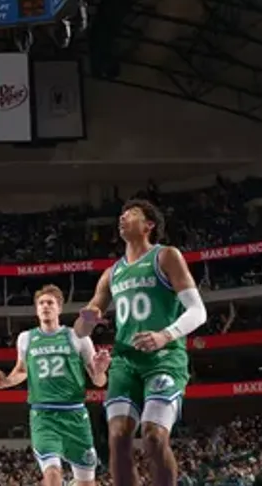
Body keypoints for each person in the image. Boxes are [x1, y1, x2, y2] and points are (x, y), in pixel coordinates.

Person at [73, 200, 206, 486]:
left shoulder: (166, 256)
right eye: (121, 214)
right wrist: (89, 316)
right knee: (118, 437)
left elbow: (198, 311)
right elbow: (80, 330)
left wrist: (164, 335)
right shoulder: (111, 273)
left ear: (149, 225)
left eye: (131, 214)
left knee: (153, 436)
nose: (122, 218)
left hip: (164, 358)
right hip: (125, 362)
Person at [0, 285, 110, 486]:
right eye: (41, 303)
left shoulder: (77, 336)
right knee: (53, 475)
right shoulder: (26, 338)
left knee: (87, 483)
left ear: (59, 308)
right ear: (36, 309)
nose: (45, 306)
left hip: (75, 416)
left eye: (50, 303)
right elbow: (21, 371)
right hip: (44, 416)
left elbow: (99, 382)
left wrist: (100, 370)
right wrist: (5, 382)